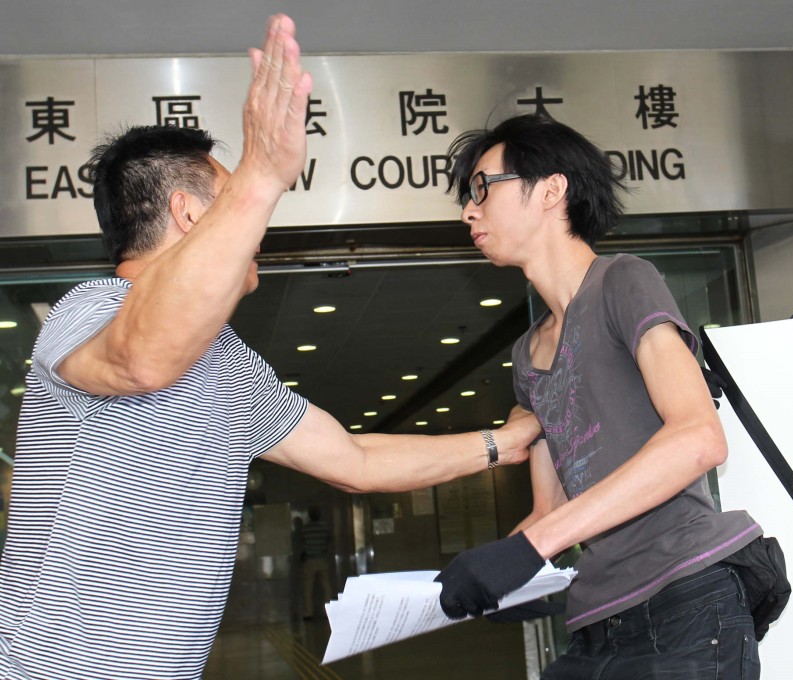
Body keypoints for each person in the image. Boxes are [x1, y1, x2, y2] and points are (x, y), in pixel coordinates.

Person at [0, 16, 538, 680]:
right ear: (190, 214)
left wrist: (500, 445)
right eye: (234, 202)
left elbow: (357, 459)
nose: (259, 223)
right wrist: (261, 171)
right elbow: (142, 358)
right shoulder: (88, 311)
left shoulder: (231, 364)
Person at [434, 114, 765, 679]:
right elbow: (552, 512)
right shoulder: (526, 355)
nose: (470, 209)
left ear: (552, 190)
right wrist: (490, 575)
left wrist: (529, 549)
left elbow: (698, 436)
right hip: (599, 618)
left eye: (484, 188)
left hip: (686, 598)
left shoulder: (623, 281)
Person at [301, 505, 333, 619]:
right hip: (322, 559)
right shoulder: (325, 527)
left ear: (309, 515)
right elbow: (329, 541)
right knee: (326, 587)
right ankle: (327, 612)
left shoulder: (305, 528)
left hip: (310, 560)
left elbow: (302, 543)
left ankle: (308, 613)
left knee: (308, 588)